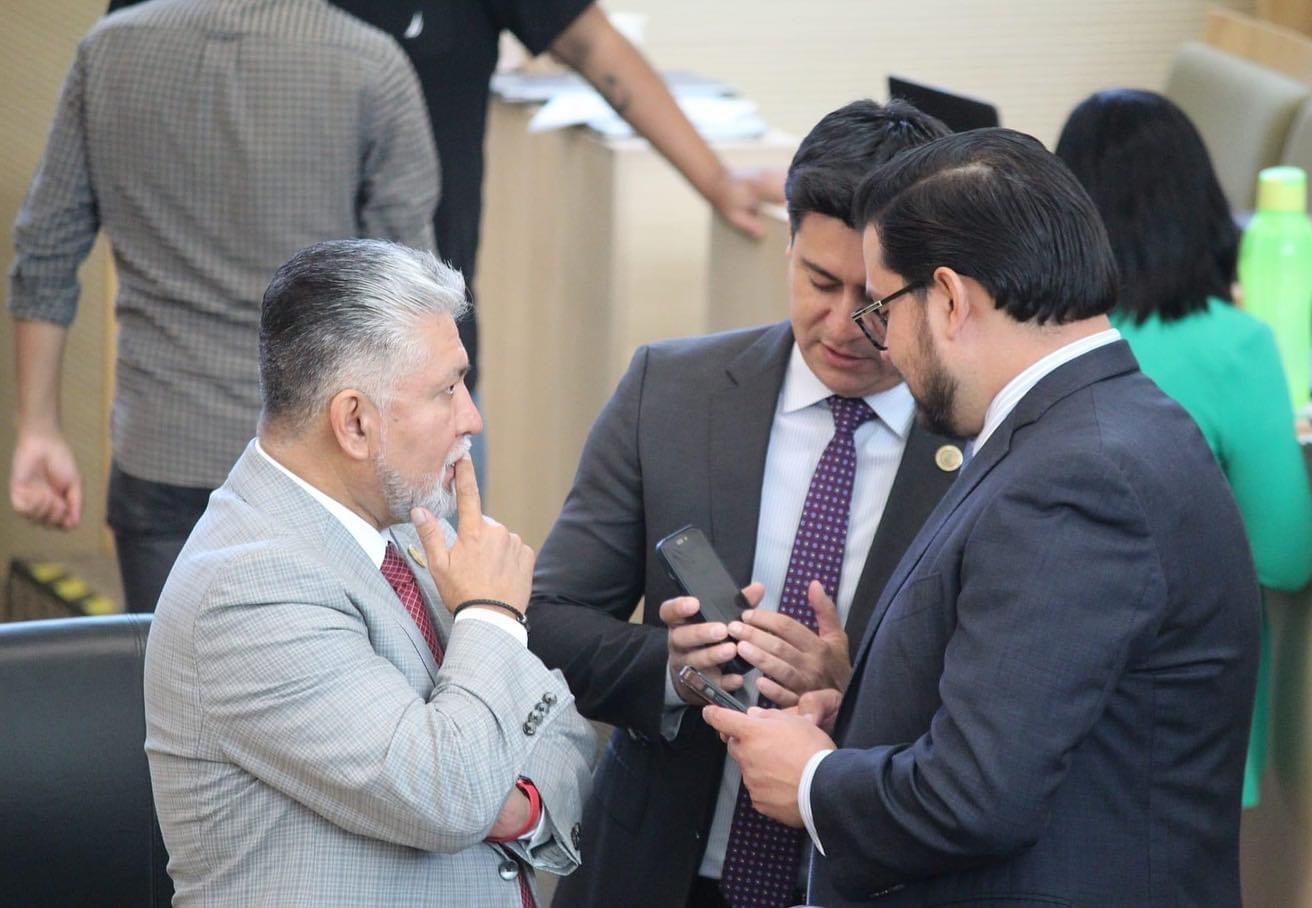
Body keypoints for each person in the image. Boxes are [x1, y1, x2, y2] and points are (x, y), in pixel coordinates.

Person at [705, 129, 1261, 907]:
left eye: (881, 310)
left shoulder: (1077, 479)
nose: (880, 344)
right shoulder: (1097, 426)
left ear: (949, 298)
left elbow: (978, 795)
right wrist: (866, 718)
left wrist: (813, 781)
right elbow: (1031, 704)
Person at [527, 100, 963, 908]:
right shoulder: (671, 391)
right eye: (819, 282)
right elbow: (547, 621)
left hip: (861, 879)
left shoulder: (978, 442)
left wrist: (854, 691)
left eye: (874, 299)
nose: (844, 325)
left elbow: (1000, 723)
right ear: (787, 244)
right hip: (660, 872)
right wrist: (673, 669)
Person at [143, 238, 595, 905]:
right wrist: (493, 616)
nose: (472, 418)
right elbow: (454, 796)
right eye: (447, 390)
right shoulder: (244, 589)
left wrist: (518, 803)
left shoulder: (407, 527)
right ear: (354, 422)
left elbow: (566, 732)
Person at [9, 0, 440, 613]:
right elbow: (406, 298)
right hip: (320, 458)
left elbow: (44, 251)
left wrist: (39, 428)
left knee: (169, 669)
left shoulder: (108, 50)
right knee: (317, 672)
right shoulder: (371, 64)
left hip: (160, 445)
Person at [106, 0, 784, 387]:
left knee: (429, 585)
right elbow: (125, 70)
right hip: (217, 351)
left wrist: (715, 179)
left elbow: (590, 42)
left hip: (414, 337)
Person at [1055, 88, 1312, 809]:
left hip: (1029, 701)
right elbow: (1286, 554)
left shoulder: (1032, 330)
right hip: (1176, 724)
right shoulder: (1235, 346)